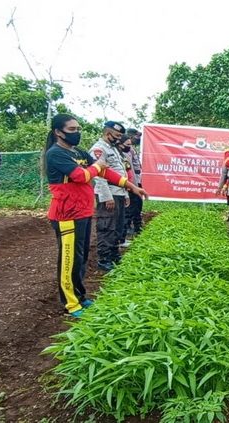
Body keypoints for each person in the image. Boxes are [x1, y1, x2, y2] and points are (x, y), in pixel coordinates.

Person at [44, 114, 147, 317]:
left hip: (82, 212)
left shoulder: (79, 152)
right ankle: (71, 304)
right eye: (72, 130)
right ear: (58, 132)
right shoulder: (55, 153)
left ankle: (81, 296)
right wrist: (99, 164)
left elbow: (104, 172)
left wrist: (132, 186)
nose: (77, 133)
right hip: (66, 216)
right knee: (69, 260)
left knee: (80, 259)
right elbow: (81, 176)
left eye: (78, 128)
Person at [91, 121, 132, 272]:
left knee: (118, 226)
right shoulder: (99, 149)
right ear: (107, 133)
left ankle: (115, 256)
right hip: (109, 194)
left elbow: (120, 172)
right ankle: (104, 259)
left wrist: (125, 193)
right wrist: (106, 197)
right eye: (117, 135)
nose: (119, 138)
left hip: (119, 192)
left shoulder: (113, 149)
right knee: (107, 226)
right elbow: (99, 175)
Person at [124, 128, 144, 237]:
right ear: (131, 137)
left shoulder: (132, 149)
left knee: (137, 205)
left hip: (136, 182)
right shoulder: (126, 150)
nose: (139, 139)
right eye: (137, 136)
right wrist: (130, 184)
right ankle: (127, 229)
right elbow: (128, 168)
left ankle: (137, 227)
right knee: (130, 207)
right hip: (130, 183)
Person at [116, 134, 134, 249]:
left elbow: (127, 171)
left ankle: (121, 240)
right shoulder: (115, 154)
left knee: (122, 218)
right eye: (127, 145)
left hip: (125, 189)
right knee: (115, 221)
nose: (129, 147)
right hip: (117, 190)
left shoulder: (122, 155)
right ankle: (118, 242)